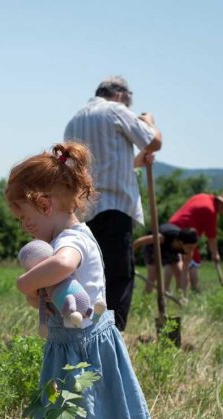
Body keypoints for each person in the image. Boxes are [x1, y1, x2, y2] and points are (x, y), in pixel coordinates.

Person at [5, 142, 151, 419]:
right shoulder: (61, 237)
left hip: (82, 354)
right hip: (65, 349)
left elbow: (66, 265)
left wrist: (25, 282)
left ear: (45, 202)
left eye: (25, 216)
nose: (24, 226)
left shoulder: (73, 239)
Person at [64, 76, 162, 331]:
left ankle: (86, 329)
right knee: (118, 275)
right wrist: (149, 121)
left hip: (84, 210)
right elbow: (154, 141)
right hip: (116, 205)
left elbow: (99, 165)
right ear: (119, 95)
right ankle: (112, 335)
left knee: (92, 275)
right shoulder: (116, 110)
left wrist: (138, 161)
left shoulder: (75, 120)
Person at [168, 191, 223, 294]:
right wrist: (215, 253)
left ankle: (168, 290)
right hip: (185, 232)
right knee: (192, 261)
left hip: (171, 226)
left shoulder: (202, 196)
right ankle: (192, 291)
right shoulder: (210, 210)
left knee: (174, 260)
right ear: (221, 204)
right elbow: (211, 237)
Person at [133, 223, 199, 293]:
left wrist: (185, 294)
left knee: (179, 273)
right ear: (180, 242)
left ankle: (180, 298)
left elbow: (185, 272)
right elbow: (139, 241)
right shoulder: (162, 237)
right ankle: (146, 299)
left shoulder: (188, 251)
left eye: (193, 248)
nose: (191, 250)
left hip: (171, 250)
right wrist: (130, 253)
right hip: (153, 245)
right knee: (153, 275)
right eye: (190, 247)